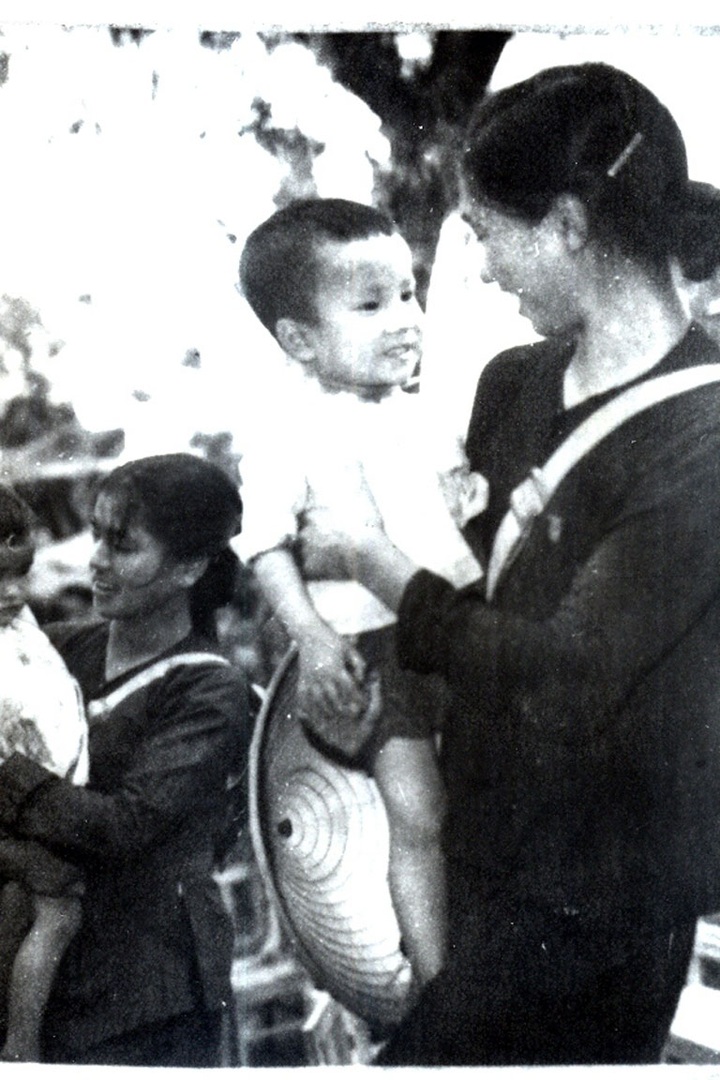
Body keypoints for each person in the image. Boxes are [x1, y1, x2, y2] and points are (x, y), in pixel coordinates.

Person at [297, 62, 720, 1065]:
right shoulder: (512, 384)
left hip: (600, 912)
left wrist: (375, 563)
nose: (485, 269)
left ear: (568, 225)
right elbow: (473, 620)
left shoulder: (703, 435)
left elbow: (569, 683)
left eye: (488, 234)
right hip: (475, 866)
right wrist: (371, 714)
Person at [236, 197, 486, 991]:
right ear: (301, 339)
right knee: (416, 809)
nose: (404, 319)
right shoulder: (290, 431)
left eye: (409, 296)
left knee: (480, 803)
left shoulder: (429, 412)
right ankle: (435, 979)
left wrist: (469, 497)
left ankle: (480, 957)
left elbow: (452, 512)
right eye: (372, 305)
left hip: (464, 628)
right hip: (375, 646)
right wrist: (310, 634)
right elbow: (266, 544)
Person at [0, 453, 251, 1066]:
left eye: (123, 546)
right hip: (34, 981)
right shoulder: (50, 650)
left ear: (190, 566)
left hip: (143, 995)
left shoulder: (208, 689)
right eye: (96, 537)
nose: (97, 562)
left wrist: (7, 773)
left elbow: (124, 827)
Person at [0, 484, 89, 1062]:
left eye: (21, 574)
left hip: (34, 808)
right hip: (16, 824)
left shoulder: (21, 627)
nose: (12, 593)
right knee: (57, 912)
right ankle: (21, 1045)